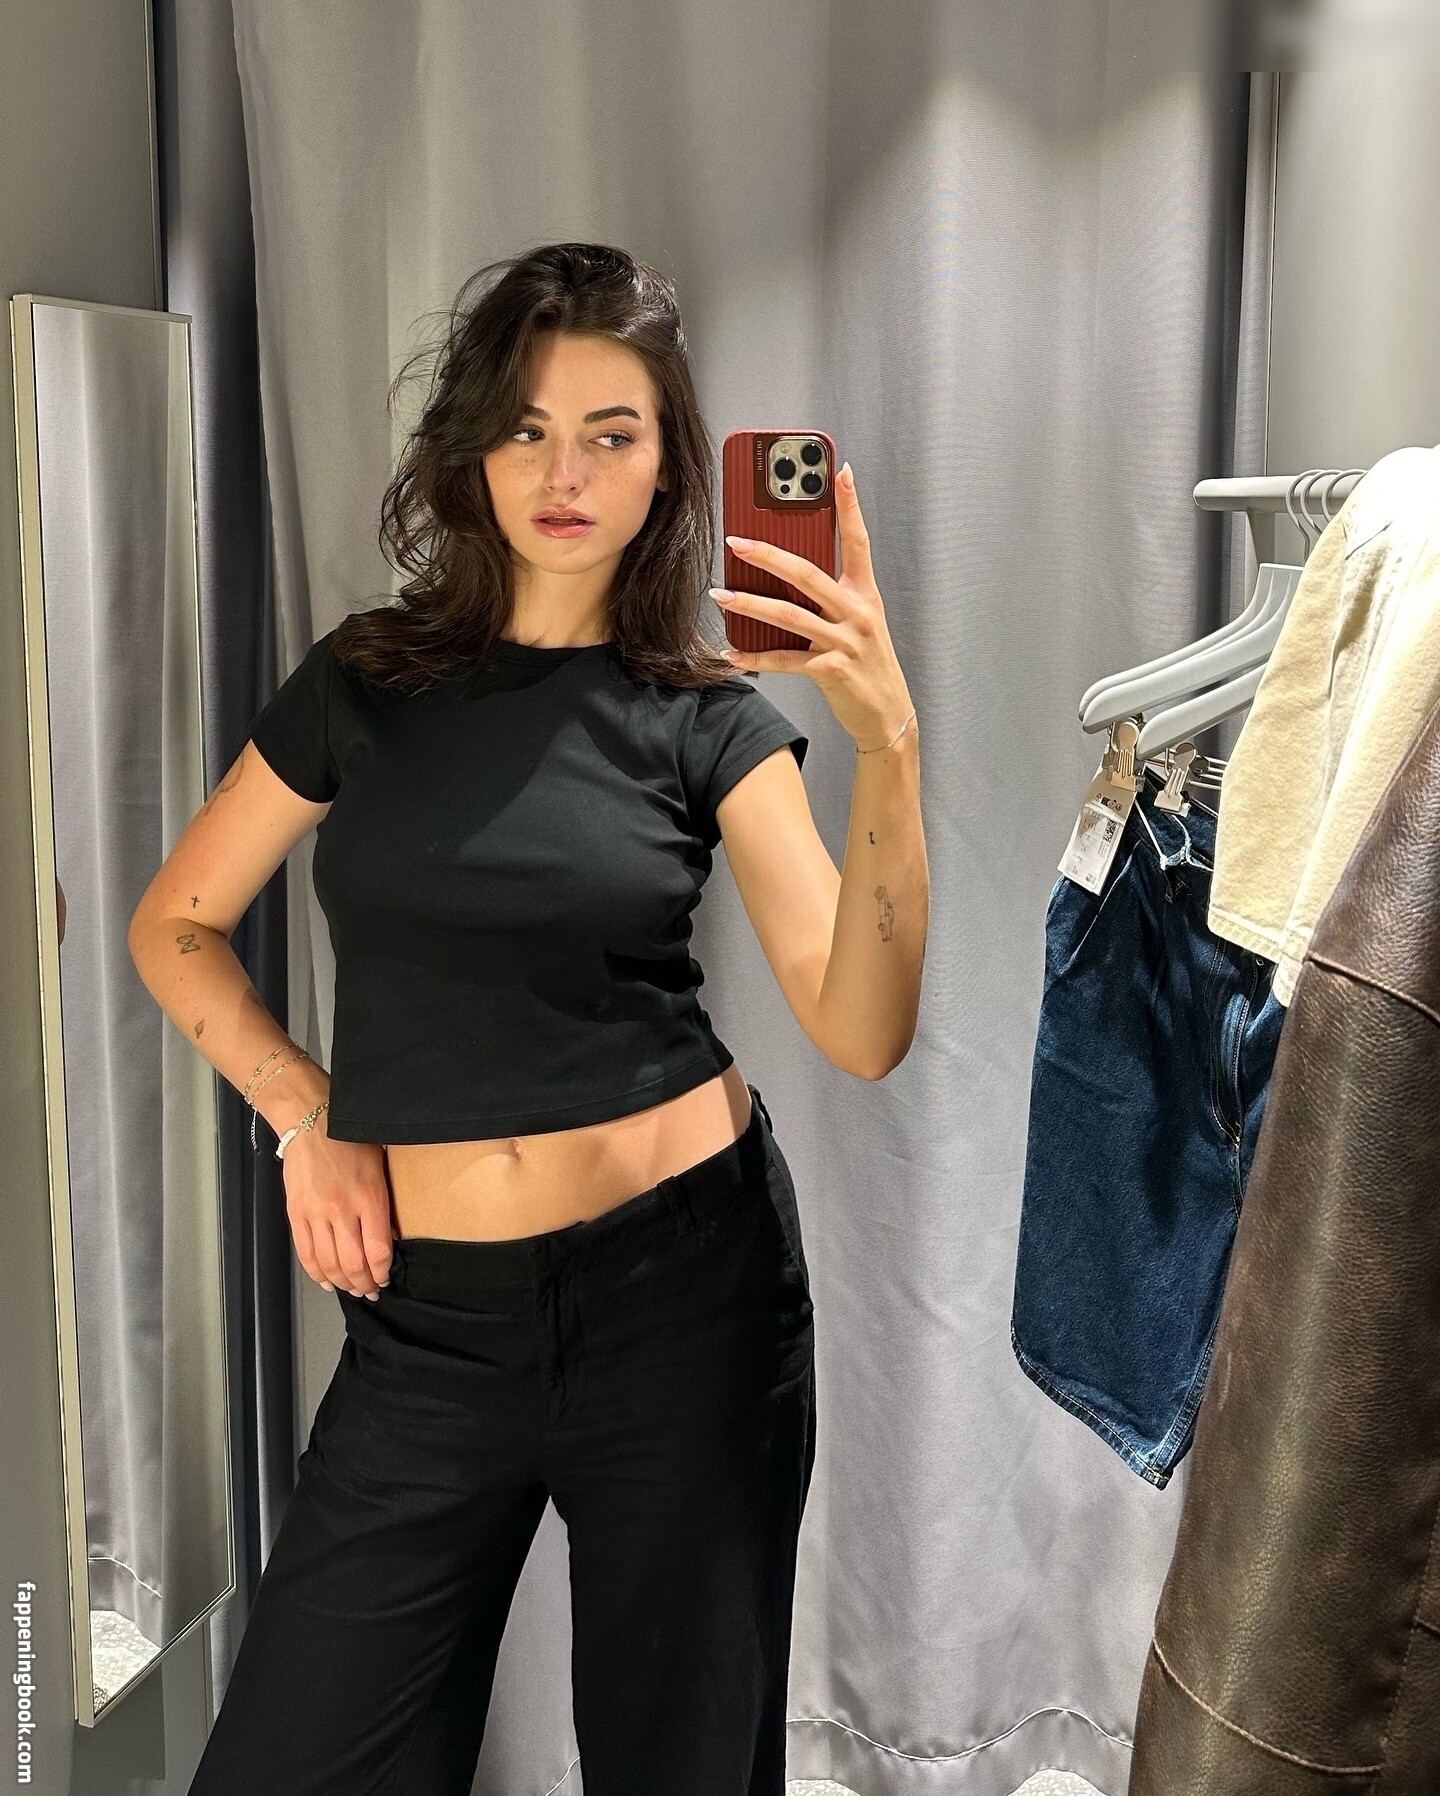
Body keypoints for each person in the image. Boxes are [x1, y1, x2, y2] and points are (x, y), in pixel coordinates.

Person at [128, 241, 927, 1795]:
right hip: (432, 1324)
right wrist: (305, 1113)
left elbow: (863, 1028)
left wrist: (887, 744)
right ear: (474, 448)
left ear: (665, 465)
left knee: (682, 1762)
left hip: (686, 1303)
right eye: (527, 429)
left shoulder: (706, 716)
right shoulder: (363, 685)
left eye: (611, 435)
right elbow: (176, 923)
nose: (565, 474)